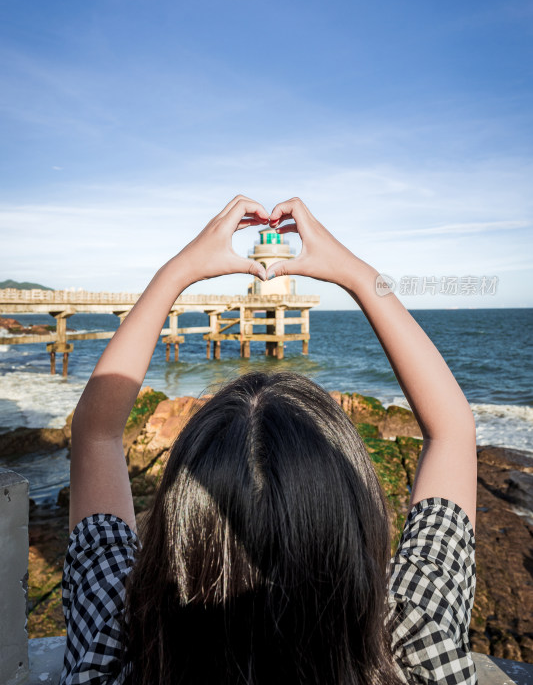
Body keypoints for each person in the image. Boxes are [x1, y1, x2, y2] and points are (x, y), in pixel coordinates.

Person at [59, 196, 477, 685]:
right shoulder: (417, 651)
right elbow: (451, 433)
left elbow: (95, 434)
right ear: (356, 533)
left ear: (174, 537)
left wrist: (174, 275)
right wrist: (361, 277)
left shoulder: (116, 650)